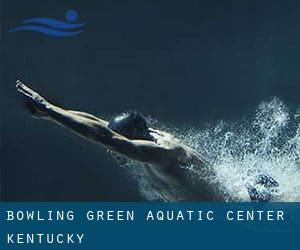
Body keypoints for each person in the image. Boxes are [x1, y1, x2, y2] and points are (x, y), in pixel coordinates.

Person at [15, 80, 277, 201]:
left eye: (115, 146)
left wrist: (48, 109)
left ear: (132, 140)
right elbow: (99, 126)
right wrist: (51, 113)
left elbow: (105, 137)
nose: (111, 151)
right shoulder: (146, 139)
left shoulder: (161, 154)